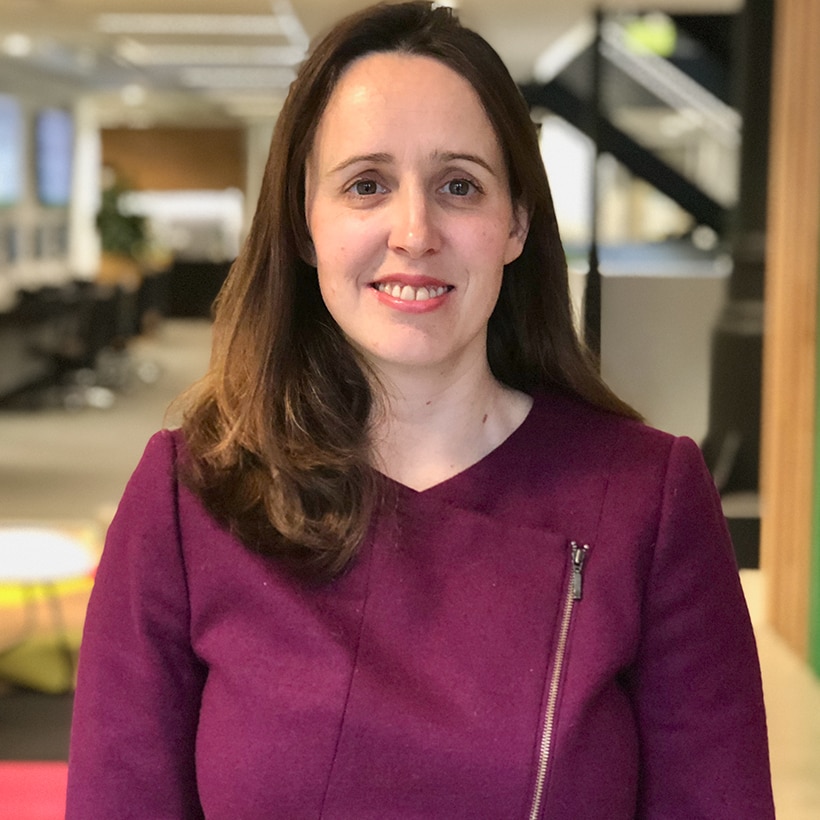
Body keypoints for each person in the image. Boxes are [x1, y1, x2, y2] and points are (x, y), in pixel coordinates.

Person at [66, 2, 775, 817]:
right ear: (305, 225)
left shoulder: (649, 499)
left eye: (459, 186)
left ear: (515, 222)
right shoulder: (191, 496)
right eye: (366, 184)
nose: (414, 231)